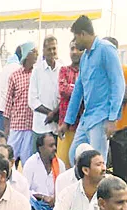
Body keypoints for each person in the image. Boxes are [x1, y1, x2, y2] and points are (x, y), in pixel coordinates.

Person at [61, 15, 125, 162]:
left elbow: (118, 84)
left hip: (102, 118)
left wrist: (112, 118)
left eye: (76, 37)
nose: (75, 42)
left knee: (97, 163)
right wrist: (67, 121)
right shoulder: (85, 57)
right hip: (87, 118)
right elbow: (78, 91)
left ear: (83, 34)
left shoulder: (106, 50)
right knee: (74, 157)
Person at [5, 42, 38, 166]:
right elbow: (8, 102)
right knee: (9, 157)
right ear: (27, 55)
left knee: (27, 160)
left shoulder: (37, 74)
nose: (36, 55)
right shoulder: (15, 76)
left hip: (30, 124)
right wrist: (7, 126)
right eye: (33, 52)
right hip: (16, 124)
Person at [22, 132, 65, 210]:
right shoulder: (31, 163)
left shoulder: (60, 164)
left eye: (54, 145)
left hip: (55, 206)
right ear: (41, 148)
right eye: (51, 146)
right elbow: (24, 190)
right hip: (36, 207)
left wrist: (54, 199)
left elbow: (64, 189)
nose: (55, 148)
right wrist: (43, 198)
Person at [29, 36, 62, 147]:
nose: (52, 52)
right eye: (49, 49)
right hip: (41, 125)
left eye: (54, 48)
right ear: (43, 50)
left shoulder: (62, 69)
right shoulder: (37, 70)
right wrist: (50, 113)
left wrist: (54, 114)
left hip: (57, 125)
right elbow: (32, 100)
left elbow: (65, 97)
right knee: (38, 160)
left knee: (55, 161)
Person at [57, 40, 84, 168]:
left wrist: (73, 88)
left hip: (82, 126)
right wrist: (79, 91)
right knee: (63, 164)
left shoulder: (87, 71)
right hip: (65, 125)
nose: (74, 52)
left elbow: (89, 93)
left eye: (78, 49)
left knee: (79, 164)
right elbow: (63, 90)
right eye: (72, 49)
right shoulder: (64, 70)